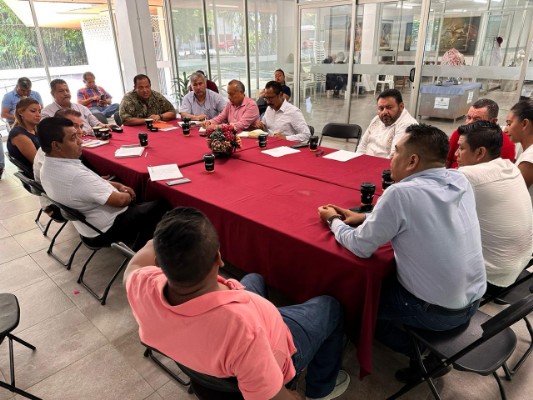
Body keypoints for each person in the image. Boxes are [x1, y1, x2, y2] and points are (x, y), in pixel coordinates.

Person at [124, 207, 350, 400]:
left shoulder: (141, 284)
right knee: (330, 306)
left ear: (159, 263)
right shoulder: (243, 330)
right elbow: (269, 396)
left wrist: (168, 240)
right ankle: (320, 389)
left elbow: (136, 263)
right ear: (218, 258)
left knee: (254, 278)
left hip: (216, 342)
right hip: (276, 345)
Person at [318, 124, 486, 382]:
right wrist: (366, 216)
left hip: (437, 311)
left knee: (360, 303)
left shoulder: (400, 192)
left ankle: (423, 354)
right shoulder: (459, 179)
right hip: (474, 298)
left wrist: (332, 221)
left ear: (412, 161)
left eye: (396, 151)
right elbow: (421, 213)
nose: (391, 156)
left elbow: (360, 247)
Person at [37, 117, 169, 250]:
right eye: (73, 138)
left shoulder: (47, 167)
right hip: (106, 229)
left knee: (130, 186)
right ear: (56, 145)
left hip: (89, 225)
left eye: (77, 135)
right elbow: (120, 201)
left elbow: (95, 182)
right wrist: (129, 194)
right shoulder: (75, 176)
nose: (80, 141)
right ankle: (141, 251)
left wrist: (119, 186)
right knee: (164, 204)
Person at [455, 120, 533, 293]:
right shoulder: (509, 167)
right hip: (519, 265)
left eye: (461, 148)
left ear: (480, 152)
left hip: (492, 277)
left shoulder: (468, 175)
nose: (456, 154)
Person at [446, 99, 515, 168]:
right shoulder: (460, 134)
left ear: (493, 121)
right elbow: (446, 161)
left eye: (477, 119)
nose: (469, 123)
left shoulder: (506, 146)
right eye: (469, 117)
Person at [354, 89, 417, 158]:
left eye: (389, 107)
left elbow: (394, 157)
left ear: (401, 106)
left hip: (385, 164)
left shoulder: (407, 125)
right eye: (381, 108)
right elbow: (363, 145)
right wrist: (357, 160)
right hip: (364, 161)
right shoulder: (377, 119)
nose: (384, 112)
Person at [41, 79, 107, 135]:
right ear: (53, 94)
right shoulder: (46, 113)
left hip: (92, 139)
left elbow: (96, 123)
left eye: (67, 90)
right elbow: (49, 134)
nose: (66, 93)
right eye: (61, 91)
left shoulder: (82, 108)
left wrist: (105, 126)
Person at [506, 99, 533, 204]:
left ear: (524, 124)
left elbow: (511, 194)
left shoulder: (529, 158)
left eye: (509, 124)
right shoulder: (527, 150)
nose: (505, 129)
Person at [7, 98, 41, 171]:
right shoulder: (19, 135)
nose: (38, 115)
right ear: (21, 112)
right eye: (33, 111)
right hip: (37, 173)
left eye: (39, 111)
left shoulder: (35, 129)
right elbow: (38, 162)